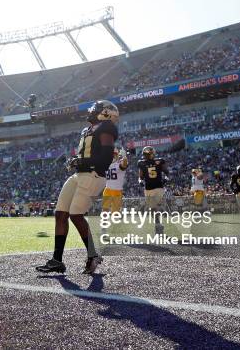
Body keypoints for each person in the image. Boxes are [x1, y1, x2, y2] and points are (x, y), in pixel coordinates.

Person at [36, 100, 118, 275]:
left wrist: (81, 161)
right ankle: (57, 260)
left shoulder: (106, 128)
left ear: (105, 113)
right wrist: (77, 161)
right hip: (79, 175)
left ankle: (93, 255)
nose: (90, 112)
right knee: (60, 214)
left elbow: (105, 158)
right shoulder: (87, 130)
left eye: (95, 109)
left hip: (93, 175)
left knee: (75, 215)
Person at [138, 146, 170, 234]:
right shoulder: (141, 163)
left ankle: (158, 224)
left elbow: (166, 172)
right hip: (148, 188)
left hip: (159, 186)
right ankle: (158, 224)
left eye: (148, 154)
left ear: (152, 154)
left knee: (157, 205)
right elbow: (140, 177)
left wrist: (166, 178)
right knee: (152, 208)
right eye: (145, 154)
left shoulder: (159, 161)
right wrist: (140, 181)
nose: (146, 156)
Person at [102, 148, 128, 213]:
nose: (112, 156)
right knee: (105, 209)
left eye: (113, 155)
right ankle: (104, 222)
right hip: (107, 189)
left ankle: (119, 213)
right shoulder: (106, 165)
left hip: (117, 190)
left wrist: (125, 157)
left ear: (117, 155)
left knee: (115, 213)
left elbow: (124, 165)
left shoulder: (119, 164)